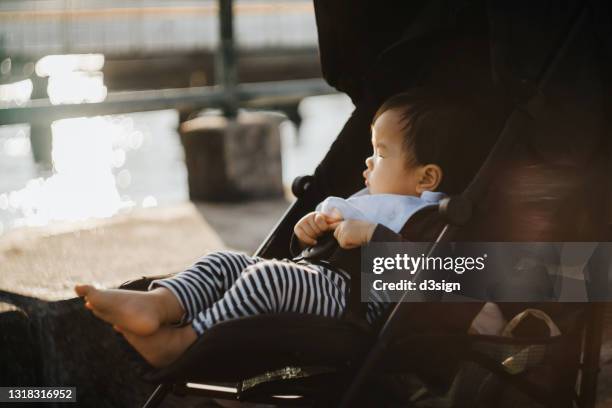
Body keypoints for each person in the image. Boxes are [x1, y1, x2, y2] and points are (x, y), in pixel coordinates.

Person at [74, 90, 493, 368]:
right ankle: (159, 305)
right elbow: (306, 255)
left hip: (351, 308)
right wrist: (308, 231)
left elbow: (435, 277)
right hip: (317, 281)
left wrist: (371, 237)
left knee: (268, 277)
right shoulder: (365, 201)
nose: (367, 163)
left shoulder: (429, 220)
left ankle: (184, 344)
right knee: (226, 262)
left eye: (380, 154)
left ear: (426, 179)